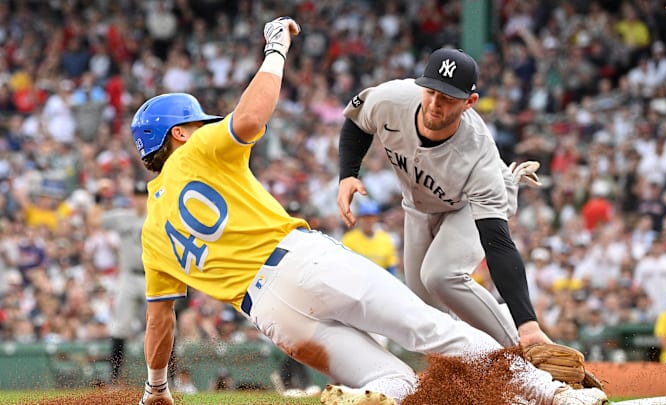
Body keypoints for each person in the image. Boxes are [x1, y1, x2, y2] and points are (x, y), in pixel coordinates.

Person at [132, 17, 607, 405]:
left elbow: (159, 323)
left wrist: (156, 387)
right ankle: (556, 398)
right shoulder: (196, 152)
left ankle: (368, 396)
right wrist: (276, 48)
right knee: (434, 330)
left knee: (395, 383)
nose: (204, 126)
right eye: (196, 123)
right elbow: (251, 119)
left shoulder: (152, 234)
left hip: (273, 317)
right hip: (301, 263)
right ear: (178, 134)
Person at [336, 47, 549, 348]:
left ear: (469, 102)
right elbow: (357, 122)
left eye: (448, 98)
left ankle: (522, 349)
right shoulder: (393, 98)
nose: (435, 104)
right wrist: (347, 174)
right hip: (419, 206)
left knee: (440, 274)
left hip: (467, 205)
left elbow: (498, 244)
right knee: (425, 310)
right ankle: (466, 375)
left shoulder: (478, 155)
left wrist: (527, 323)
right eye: (431, 91)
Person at [103, 180, 148, 385]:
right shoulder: (123, 217)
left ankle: (169, 379)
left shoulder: (158, 216)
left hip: (152, 277)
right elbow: (96, 219)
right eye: (137, 196)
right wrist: (99, 198)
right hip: (129, 276)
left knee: (163, 327)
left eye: (143, 196)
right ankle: (114, 379)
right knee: (120, 327)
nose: (140, 200)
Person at [341, 199, 399, 277]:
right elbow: (344, 265)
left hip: (380, 280)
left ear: (377, 218)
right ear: (359, 218)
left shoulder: (385, 238)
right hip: (356, 279)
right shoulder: (348, 239)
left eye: (371, 217)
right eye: (365, 217)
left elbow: (391, 266)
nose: (368, 221)